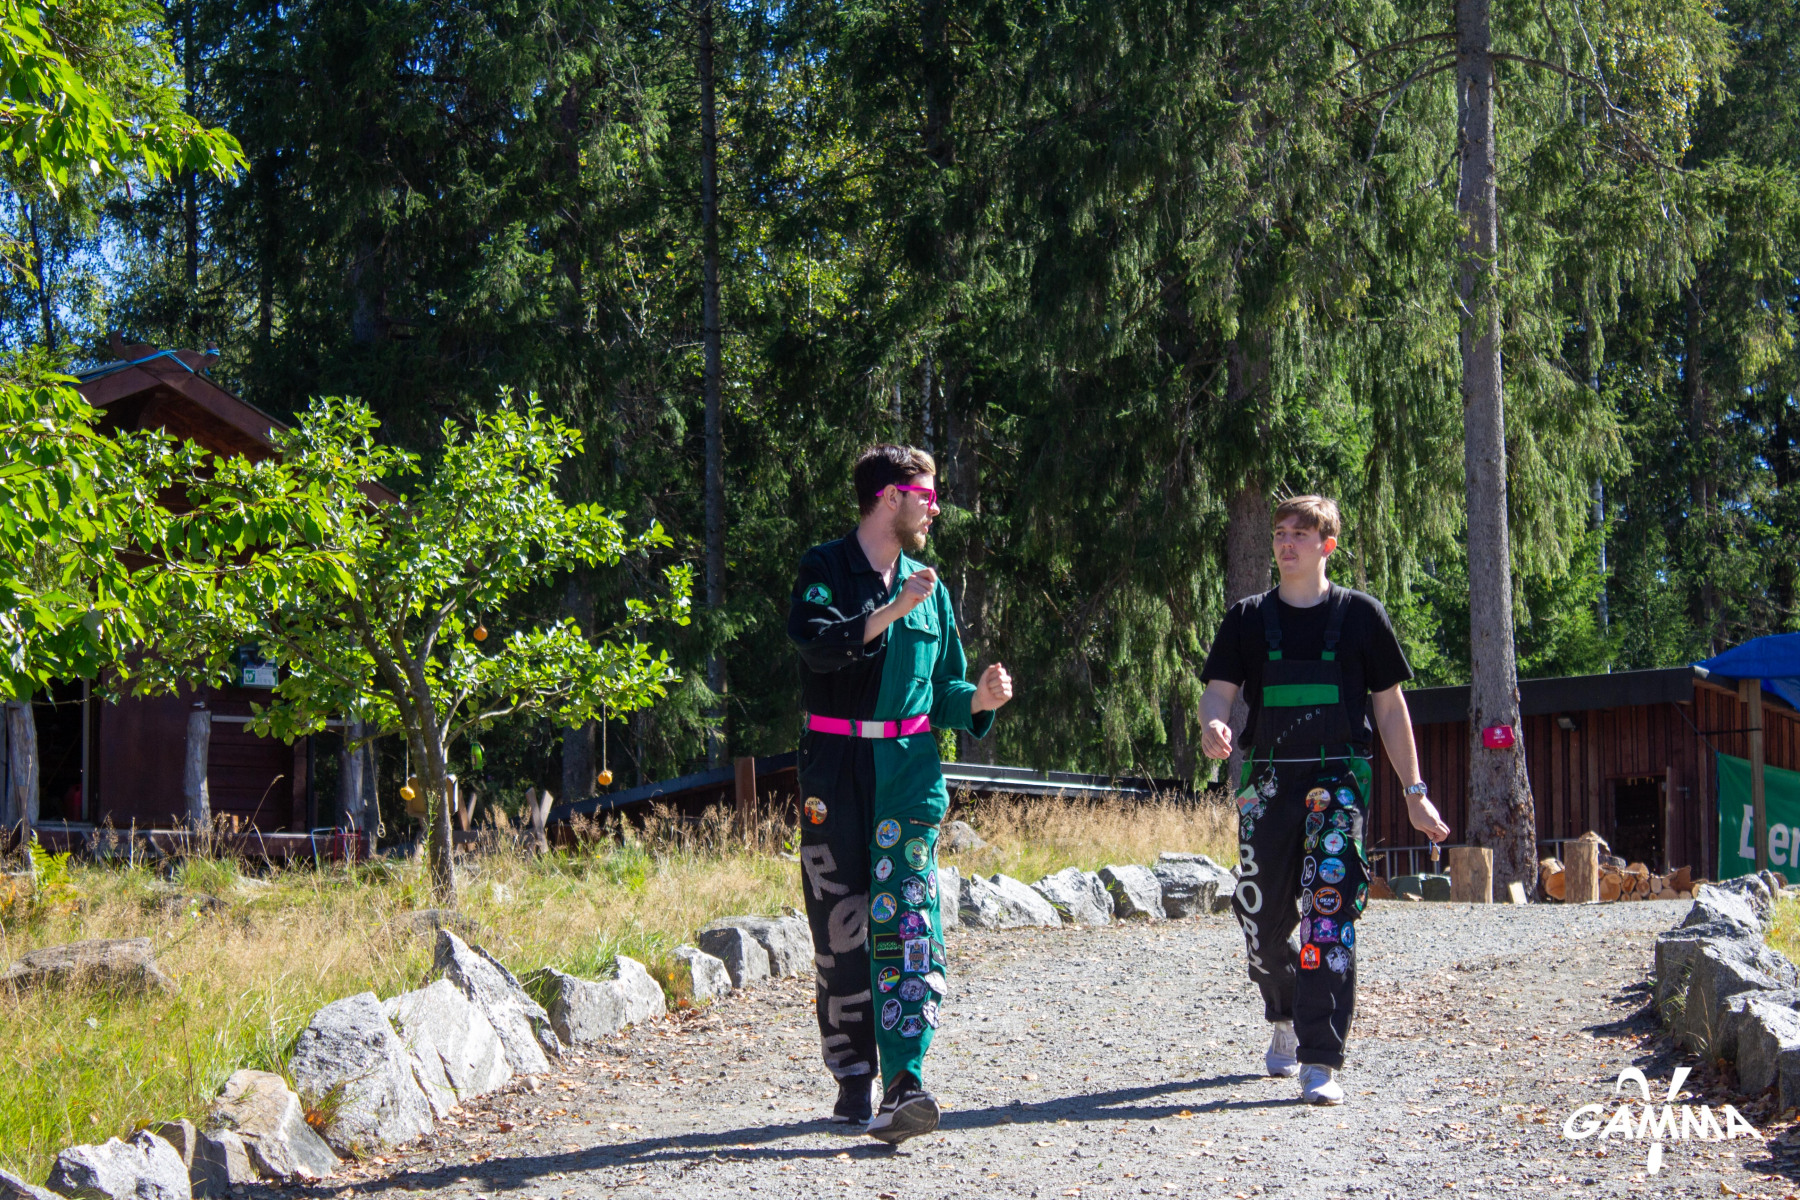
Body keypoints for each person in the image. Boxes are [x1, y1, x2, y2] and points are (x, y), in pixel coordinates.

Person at [787, 444, 1015, 1144]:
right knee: (841, 928)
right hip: (835, 770)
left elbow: (943, 689)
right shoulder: (826, 568)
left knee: (910, 921)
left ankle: (905, 1081)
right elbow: (816, 644)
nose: (935, 508)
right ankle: (853, 1078)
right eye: (926, 495)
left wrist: (978, 699)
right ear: (890, 496)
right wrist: (891, 609)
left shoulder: (929, 587)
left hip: (909, 775)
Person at [1197, 495, 1449, 1106]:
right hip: (1267, 784)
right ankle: (1283, 1012)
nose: (1286, 543)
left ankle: (1319, 1060)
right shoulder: (1247, 618)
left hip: (1337, 782)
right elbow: (1218, 692)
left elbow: (1390, 710)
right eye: (1280, 533)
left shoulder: (1361, 616)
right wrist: (1213, 724)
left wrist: (1415, 792)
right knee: (1261, 924)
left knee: (1328, 915)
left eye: (1300, 534)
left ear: (1326, 545)